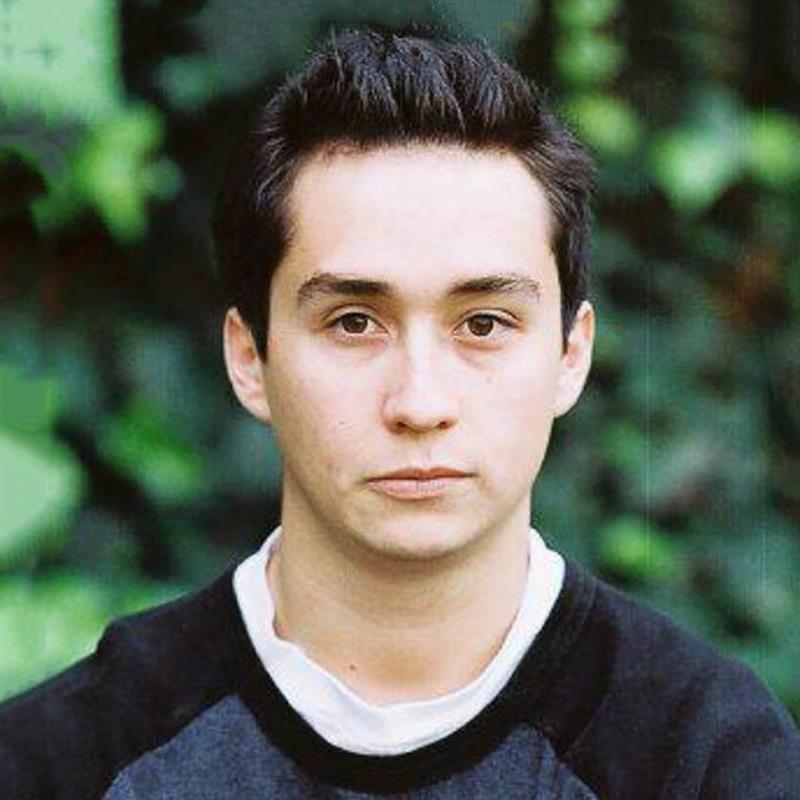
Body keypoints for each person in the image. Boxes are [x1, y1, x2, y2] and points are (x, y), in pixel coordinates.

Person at [1, 25, 799, 800]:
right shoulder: (62, 763)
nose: (420, 403)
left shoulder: (706, 757)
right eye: (354, 322)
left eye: (483, 324)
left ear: (570, 355)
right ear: (250, 358)